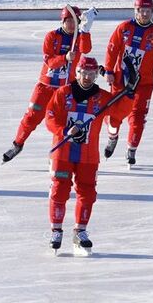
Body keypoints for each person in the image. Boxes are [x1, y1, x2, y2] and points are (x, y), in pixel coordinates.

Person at [45, 56, 134, 255]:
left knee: (87, 193)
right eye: (83, 73)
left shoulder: (102, 97)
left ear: (96, 75)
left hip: (88, 156)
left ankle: (80, 230)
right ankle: (56, 230)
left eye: (91, 74)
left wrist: (130, 94)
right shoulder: (63, 93)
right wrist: (63, 131)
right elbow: (50, 116)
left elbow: (120, 113)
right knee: (59, 190)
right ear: (76, 73)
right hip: (63, 153)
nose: (86, 77)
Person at [2, 6, 96, 163]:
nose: (72, 24)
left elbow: (86, 49)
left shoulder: (79, 37)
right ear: (63, 21)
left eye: (75, 21)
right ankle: (17, 144)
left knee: (64, 123)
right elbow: (49, 62)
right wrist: (64, 58)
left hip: (65, 89)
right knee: (31, 117)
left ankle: (59, 153)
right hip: (45, 86)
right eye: (69, 21)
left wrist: (85, 31)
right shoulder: (52, 36)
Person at [103, 0, 153, 167]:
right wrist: (108, 70)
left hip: (143, 84)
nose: (144, 14)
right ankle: (112, 136)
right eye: (141, 11)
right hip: (120, 81)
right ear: (135, 11)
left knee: (138, 117)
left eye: (148, 11)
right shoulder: (124, 28)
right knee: (113, 115)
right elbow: (112, 49)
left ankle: (131, 149)